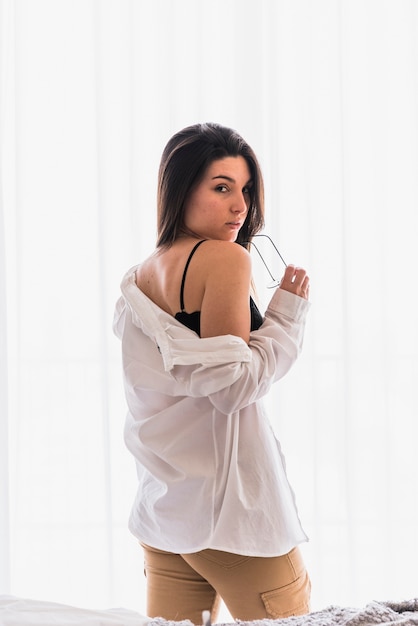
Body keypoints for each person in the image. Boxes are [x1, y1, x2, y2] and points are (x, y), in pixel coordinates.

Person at [113, 122, 311, 624]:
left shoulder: (141, 274)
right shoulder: (225, 259)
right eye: (221, 187)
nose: (240, 206)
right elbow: (233, 387)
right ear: (181, 189)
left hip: (164, 516)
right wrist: (287, 315)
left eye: (245, 190)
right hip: (234, 522)